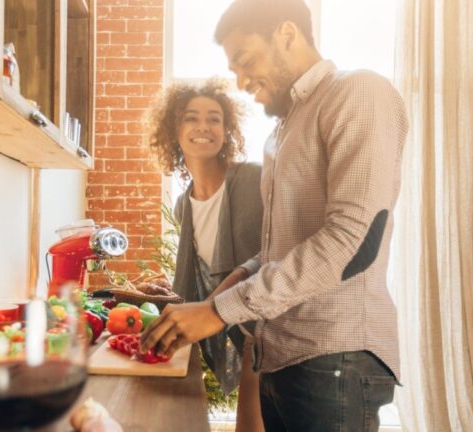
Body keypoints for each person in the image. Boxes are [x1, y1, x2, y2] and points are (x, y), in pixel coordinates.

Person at [141, 0, 409, 431]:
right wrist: (226, 288)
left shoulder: (357, 91)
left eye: (246, 60)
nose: (241, 81)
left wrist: (219, 311)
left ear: (287, 34)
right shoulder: (281, 132)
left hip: (334, 358)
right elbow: (280, 250)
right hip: (282, 356)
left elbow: (353, 241)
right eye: (234, 69)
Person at [146, 78, 264, 432]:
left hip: (272, 333)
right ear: (174, 131)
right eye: (191, 118)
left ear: (227, 130)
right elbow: (203, 278)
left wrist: (211, 306)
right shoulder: (184, 205)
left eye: (214, 118)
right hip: (247, 334)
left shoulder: (253, 179)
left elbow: (273, 254)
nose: (203, 126)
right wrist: (165, 293)